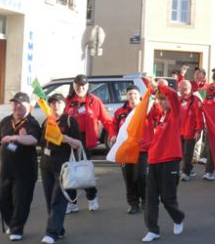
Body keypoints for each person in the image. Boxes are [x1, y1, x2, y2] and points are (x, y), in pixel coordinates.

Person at [0, 92, 41, 241]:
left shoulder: (32, 122)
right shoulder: (6, 121)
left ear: (27, 105)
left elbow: (32, 140)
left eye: (19, 103)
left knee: (20, 201)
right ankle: (12, 224)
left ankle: (17, 229)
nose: (16, 106)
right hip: (6, 170)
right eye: (14, 103)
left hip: (25, 171)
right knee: (2, 200)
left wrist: (16, 137)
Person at [64, 74, 117, 213]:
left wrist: (112, 134)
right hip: (69, 141)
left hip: (85, 141)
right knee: (69, 172)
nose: (80, 88)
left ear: (87, 86)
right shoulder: (68, 101)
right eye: (78, 85)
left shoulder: (95, 101)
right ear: (74, 86)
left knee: (84, 172)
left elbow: (107, 121)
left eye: (83, 85)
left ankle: (92, 198)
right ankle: (72, 202)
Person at [142, 80, 185, 243]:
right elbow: (157, 141)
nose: (161, 102)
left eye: (163, 99)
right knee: (150, 197)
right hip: (154, 161)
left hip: (170, 161)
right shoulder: (161, 118)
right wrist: (142, 145)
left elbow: (173, 95)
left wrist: (158, 86)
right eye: (159, 99)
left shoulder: (175, 114)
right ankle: (153, 229)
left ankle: (178, 217)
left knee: (168, 198)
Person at [39, 93, 82, 244]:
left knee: (58, 198)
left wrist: (66, 139)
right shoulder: (47, 121)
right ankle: (58, 228)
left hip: (63, 166)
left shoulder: (70, 121)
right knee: (49, 199)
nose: (55, 105)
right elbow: (41, 142)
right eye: (52, 103)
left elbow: (78, 144)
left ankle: (51, 233)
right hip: (46, 165)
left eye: (58, 103)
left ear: (64, 105)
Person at [112, 85, 148, 214]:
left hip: (142, 149)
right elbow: (113, 126)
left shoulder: (146, 109)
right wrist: (113, 135)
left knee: (141, 176)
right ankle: (133, 203)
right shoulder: (120, 112)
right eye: (129, 94)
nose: (132, 97)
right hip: (125, 150)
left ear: (139, 95)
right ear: (126, 97)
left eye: (134, 94)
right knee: (129, 177)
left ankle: (145, 200)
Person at [178, 80, 203, 181]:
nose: (179, 89)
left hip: (190, 131)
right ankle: (188, 168)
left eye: (180, 88)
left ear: (185, 89)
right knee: (182, 153)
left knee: (188, 153)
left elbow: (199, 117)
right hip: (180, 131)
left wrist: (198, 130)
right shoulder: (180, 100)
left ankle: (186, 172)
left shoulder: (195, 100)